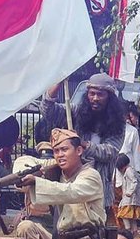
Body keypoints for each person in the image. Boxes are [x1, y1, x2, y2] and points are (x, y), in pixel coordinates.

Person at [41, 73, 125, 211]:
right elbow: (48, 111)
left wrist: (83, 145)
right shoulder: (75, 111)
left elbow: (110, 152)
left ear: (109, 97)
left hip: (98, 189)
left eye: (100, 94)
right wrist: (58, 83)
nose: (95, 98)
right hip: (71, 183)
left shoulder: (118, 123)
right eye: (92, 94)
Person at [115, 153, 140, 235]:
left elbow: (134, 182)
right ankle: (134, 231)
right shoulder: (131, 170)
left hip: (130, 199)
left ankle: (128, 230)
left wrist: (130, 192)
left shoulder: (129, 171)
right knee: (132, 217)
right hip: (131, 198)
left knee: (124, 215)